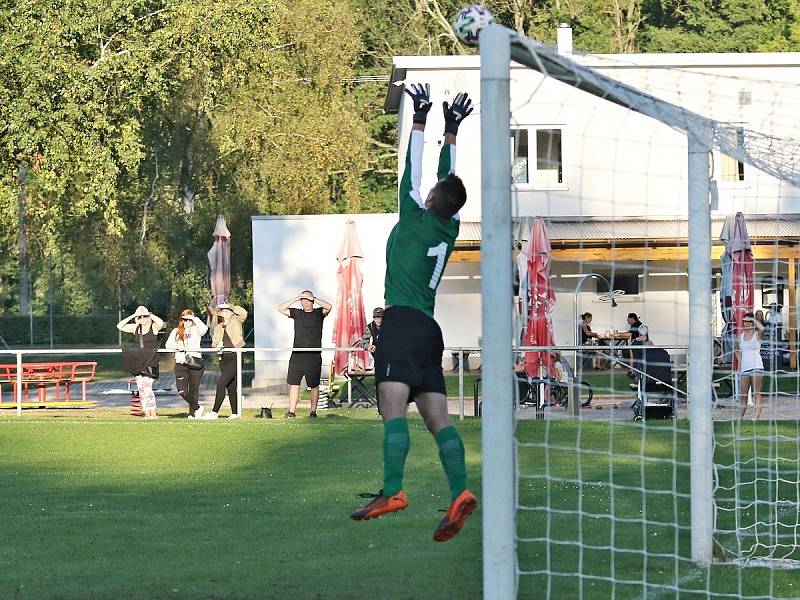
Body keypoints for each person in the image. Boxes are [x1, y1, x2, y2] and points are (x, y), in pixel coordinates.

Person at [349, 83, 477, 542]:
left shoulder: (412, 215)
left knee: (391, 411)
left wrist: (420, 117)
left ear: (427, 201)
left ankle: (393, 491)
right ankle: (460, 490)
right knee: (438, 418)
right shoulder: (452, 223)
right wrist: (453, 129)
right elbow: (446, 180)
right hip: (429, 329)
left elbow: (412, 166)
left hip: (401, 322)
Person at [277, 291, 332, 418]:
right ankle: (291, 411)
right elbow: (280, 308)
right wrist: (297, 297)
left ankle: (313, 412)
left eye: (308, 300)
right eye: (303, 300)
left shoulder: (319, 313)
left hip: (313, 355)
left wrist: (315, 298)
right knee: (294, 384)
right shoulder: (297, 313)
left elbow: (329, 307)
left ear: (312, 301)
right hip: (297, 355)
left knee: (314, 385)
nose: (305, 302)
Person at [118, 305, 164, 419]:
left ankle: (153, 413)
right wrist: (133, 315)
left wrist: (150, 314)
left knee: (147, 388)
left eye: (144, 316)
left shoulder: (153, 327)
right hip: (138, 362)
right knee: (141, 389)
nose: (142, 319)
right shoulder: (135, 328)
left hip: (151, 362)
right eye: (140, 317)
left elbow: (161, 323)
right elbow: (120, 326)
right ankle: (147, 413)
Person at [203, 302, 247, 420]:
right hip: (223, 358)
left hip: (235, 356)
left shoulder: (237, 320)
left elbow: (244, 313)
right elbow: (214, 342)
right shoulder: (218, 326)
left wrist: (231, 306)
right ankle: (235, 413)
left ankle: (214, 412)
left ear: (232, 312)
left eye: (227, 310)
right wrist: (217, 345)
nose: (225, 312)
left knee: (220, 383)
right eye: (223, 311)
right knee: (230, 386)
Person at [165, 309, 209, 419]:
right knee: (182, 390)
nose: (187, 322)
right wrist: (177, 346)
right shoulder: (176, 331)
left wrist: (194, 318)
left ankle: (192, 413)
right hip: (181, 363)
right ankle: (198, 408)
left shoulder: (196, 329)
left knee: (194, 389)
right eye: (184, 319)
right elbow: (168, 345)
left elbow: (204, 329)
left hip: (195, 362)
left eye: (189, 319)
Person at [737, 312, 765, 420]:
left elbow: (762, 328)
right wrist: (740, 361)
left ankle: (756, 417)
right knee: (743, 395)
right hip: (745, 369)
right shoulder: (740, 337)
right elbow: (737, 350)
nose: (747, 323)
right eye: (745, 321)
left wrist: (754, 320)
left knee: (756, 393)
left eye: (749, 321)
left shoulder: (757, 334)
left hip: (757, 367)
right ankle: (740, 418)